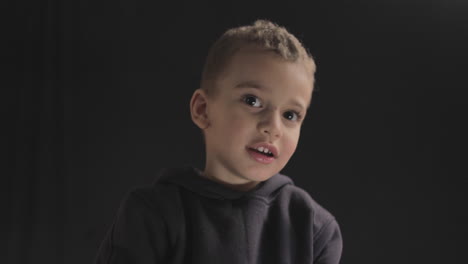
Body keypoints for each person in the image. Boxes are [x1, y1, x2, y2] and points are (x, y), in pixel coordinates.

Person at [95, 19, 343, 264]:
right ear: (203, 109)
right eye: (252, 101)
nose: (273, 127)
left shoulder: (314, 228)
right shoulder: (152, 215)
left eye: (290, 115)